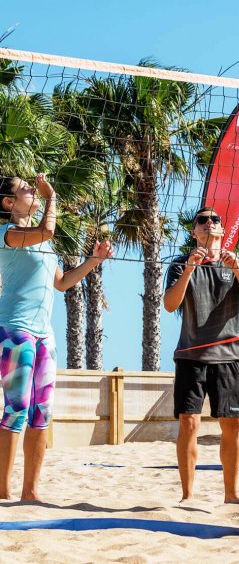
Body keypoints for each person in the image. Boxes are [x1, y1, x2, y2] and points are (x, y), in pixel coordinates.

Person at [0, 173, 113, 501]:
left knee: (40, 413)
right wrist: (51, 197)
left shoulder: (42, 242)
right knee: (16, 409)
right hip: (14, 330)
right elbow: (47, 229)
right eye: (25, 189)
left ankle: (30, 493)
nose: (32, 190)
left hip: (43, 335)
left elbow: (62, 283)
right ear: (9, 202)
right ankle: (3, 492)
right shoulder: (8, 233)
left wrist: (94, 260)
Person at [163, 207, 239, 504]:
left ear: (222, 229)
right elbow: (169, 305)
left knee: (232, 426)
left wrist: (238, 271)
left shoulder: (237, 262)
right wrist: (191, 268)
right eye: (202, 220)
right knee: (189, 423)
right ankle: (188, 495)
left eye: (215, 219)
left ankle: (231, 494)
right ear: (194, 232)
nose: (209, 223)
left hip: (228, 355)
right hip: (191, 354)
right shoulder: (180, 264)